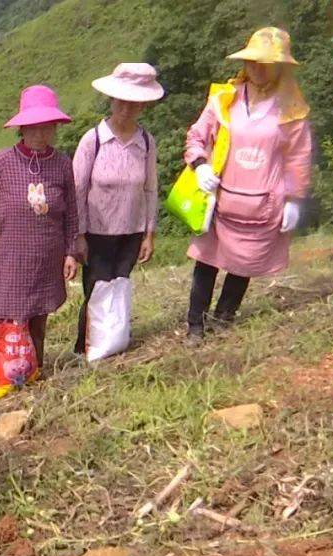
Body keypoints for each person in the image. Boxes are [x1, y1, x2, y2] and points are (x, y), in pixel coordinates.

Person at [183, 27, 313, 344]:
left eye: (267, 62)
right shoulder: (224, 99)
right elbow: (196, 137)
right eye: (254, 61)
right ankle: (195, 326)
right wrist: (199, 165)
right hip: (219, 200)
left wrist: (295, 199)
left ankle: (224, 317)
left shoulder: (291, 110)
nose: (258, 68)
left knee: (245, 260)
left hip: (262, 202)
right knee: (207, 260)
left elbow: (298, 157)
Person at [0, 85, 79, 368]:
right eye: (33, 127)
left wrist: (72, 251)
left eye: (47, 126)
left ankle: (33, 369)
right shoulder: (1, 160)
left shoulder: (61, 164)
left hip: (48, 256)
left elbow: (71, 212)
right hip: (12, 256)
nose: (40, 133)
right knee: (6, 314)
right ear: (22, 128)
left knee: (39, 314)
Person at [72, 63, 164, 353]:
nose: (127, 107)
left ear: (143, 106)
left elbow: (150, 188)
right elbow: (78, 190)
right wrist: (79, 235)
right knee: (96, 290)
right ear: (112, 100)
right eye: (122, 100)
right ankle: (86, 347)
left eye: (134, 102)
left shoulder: (146, 143)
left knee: (120, 286)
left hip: (131, 231)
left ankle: (113, 342)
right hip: (97, 233)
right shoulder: (93, 140)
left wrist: (149, 233)